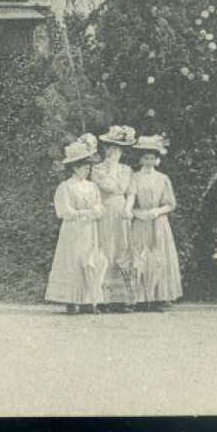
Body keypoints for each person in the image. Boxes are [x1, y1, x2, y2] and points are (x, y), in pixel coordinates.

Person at [46, 135, 107, 315]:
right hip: (72, 230)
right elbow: (63, 211)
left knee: (88, 261)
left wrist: (96, 211)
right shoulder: (65, 187)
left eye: (88, 167)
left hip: (89, 230)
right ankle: (71, 301)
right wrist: (86, 213)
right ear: (74, 168)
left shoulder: (92, 186)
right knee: (72, 262)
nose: (87, 170)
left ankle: (88, 301)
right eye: (83, 167)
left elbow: (99, 206)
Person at [125, 134, 182, 310]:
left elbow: (171, 204)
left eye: (152, 158)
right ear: (140, 160)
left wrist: (157, 211)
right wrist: (137, 213)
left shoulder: (163, 178)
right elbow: (129, 201)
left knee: (159, 257)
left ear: (157, 160)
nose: (148, 161)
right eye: (145, 158)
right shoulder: (133, 177)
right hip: (141, 222)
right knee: (140, 257)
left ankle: (160, 296)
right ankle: (139, 298)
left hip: (159, 223)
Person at [93, 126, 137, 309]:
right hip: (105, 209)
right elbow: (109, 187)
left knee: (123, 250)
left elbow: (131, 192)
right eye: (111, 148)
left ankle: (122, 298)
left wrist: (128, 208)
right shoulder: (97, 169)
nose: (115, 152)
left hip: (121, 211)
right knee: (106, 249)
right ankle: (103, 298)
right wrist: (111, 167)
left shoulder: (127, 170)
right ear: (106, 149)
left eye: (119, 149)